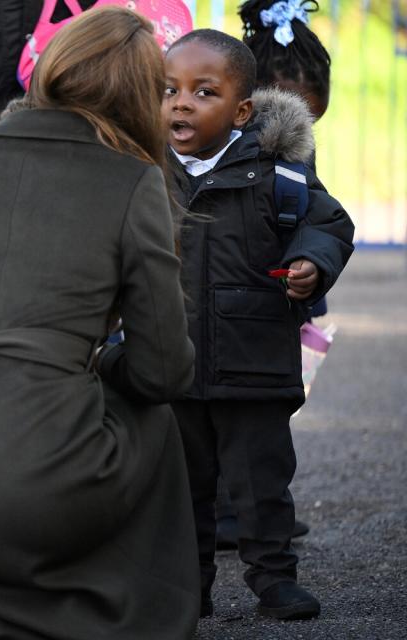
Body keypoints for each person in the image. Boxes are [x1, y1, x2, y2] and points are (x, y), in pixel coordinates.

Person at [0, 8, 201, 639]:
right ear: (144, 95)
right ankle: (135, 609)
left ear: (53, 68)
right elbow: (164, 369)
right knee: (153, 417)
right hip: (50, 481)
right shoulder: (133, 180)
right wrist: (96, 364)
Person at [162, 28, 354, 621]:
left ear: (241, 109)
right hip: (175, 365)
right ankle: (185, 587)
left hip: (254, 360)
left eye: (203, 91)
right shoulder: (146, 173)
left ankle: (273, 578)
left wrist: (310, 264)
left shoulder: (278, 174)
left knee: (262, 484)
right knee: (180, 488)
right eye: (169, 90)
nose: (181, 102)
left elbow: (329, 225)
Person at [213, 0, 334, 552]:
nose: (304, 132)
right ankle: (226, 513)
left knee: (261, 427)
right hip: (226, 305)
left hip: (273, 304)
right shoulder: (207, 155)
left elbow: (321, 217)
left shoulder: (290, 152)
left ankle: (257, 516)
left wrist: (314, 263)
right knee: (216, 420)